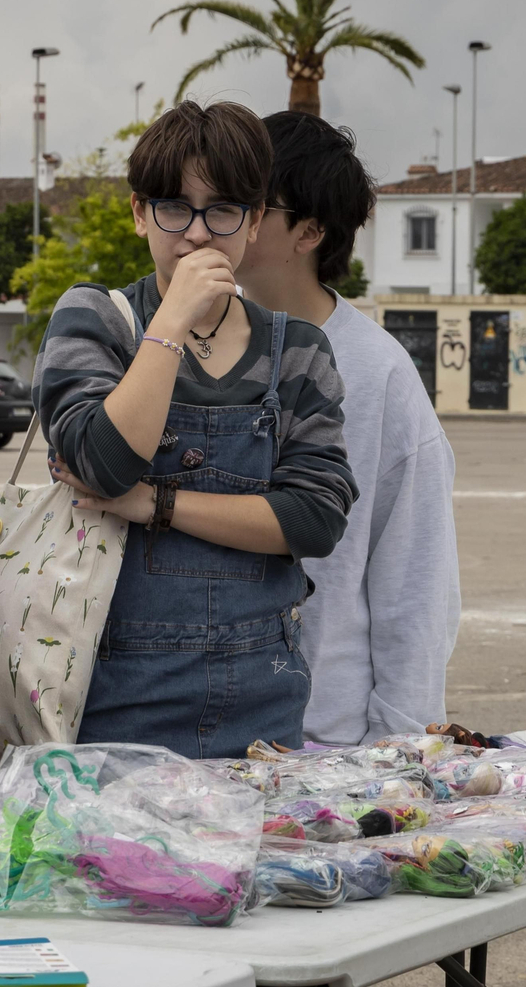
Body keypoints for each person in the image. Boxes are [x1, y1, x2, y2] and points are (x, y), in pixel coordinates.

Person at [35, 100, 357, 758]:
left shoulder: (298, 348)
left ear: (256, 220)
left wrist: (158, 504)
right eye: (174, 207)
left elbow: (316, 518)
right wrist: (170, 324)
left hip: (262, 712)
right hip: (111, 710)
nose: (197, 235)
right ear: (137, 213)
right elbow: (101, 465)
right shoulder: (92, 318)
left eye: (223, 210)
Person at [234, 110, 460, 745]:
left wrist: (399, 744)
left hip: (319, 737)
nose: (221, 216)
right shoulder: (174, 339)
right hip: (183, 728)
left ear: (308, 231)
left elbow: (415, 579)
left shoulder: (376, 370)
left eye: (248, 200)